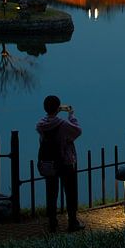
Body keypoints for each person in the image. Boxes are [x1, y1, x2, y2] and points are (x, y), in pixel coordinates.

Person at [36, 95, 83, 233]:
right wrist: (71, 115)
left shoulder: (40, 125)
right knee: (70, 192)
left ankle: (52, 223)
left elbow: (43, 134)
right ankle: (72, 222)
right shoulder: (62, 124)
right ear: (58, 108)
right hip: (65, 162)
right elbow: (77, 131)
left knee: (51, 193)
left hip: (49, 163)